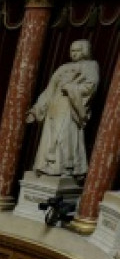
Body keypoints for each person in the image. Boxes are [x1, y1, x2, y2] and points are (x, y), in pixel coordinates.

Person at [27, 39, 100, 178]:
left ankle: (65, 168)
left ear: (85, 51)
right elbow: (49, 90)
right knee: (49, 136)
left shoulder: (90, 66)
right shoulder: (63, 67)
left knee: (64, 136)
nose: (74, 54)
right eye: (72, 50)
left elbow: (91, 87)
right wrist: (36, 110)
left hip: (70, 106)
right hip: (55, 105)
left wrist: (72, 88)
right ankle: (46, 166)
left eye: (77, 50)